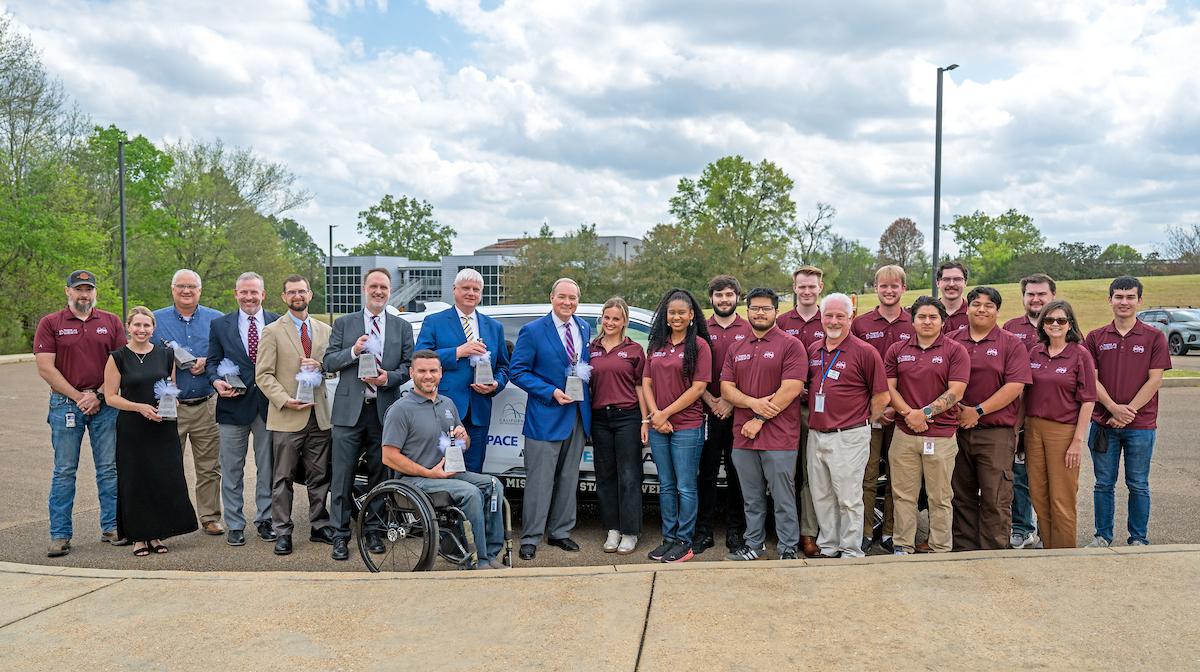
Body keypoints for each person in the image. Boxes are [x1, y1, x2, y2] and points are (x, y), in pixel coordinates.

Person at [381, 350, 508, 570]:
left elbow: (464, 445)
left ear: (441, 373)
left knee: (494, 485)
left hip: (449, 473)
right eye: (422, 371)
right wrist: (428, 473)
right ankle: (477, 560)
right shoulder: (400, 410)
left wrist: (463, 437)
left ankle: (489, 553)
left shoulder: (447, 403)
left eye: (433, 370)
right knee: (471, 493)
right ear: (412, 373)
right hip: (415, 480)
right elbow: (388, 456)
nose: (428, 376)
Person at [323, 268, 414, 561]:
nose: (378, 291)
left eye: (384, 287)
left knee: (380, 475)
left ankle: (374, 529)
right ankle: (339, 534)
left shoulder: (401, 327)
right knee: (342, 476)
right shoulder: (345, 323)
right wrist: (353, 351)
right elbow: (328, 362)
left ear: (390, 291)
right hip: (349, 412)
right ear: (365, 288)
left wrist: (388, 378)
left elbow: (408, 366)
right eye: (374, 286)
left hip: (384, 411)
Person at [34, 270, 126, 557]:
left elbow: (121, 364)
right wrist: (78, 397)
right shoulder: (51, 323)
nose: (83, 294)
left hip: (104, 404)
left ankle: (111, 527)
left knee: (109, 469)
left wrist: (98, 395)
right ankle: (60, 535)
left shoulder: (110, 321)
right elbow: (46, 368)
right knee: (64, 471)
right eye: (78, 289)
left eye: (88, 289)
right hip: (65, 405)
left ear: (95, 293)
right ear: (68, 291)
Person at [102, 307, 198, 556]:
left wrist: (172, 401)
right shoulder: (118, 357)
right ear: (128, 327)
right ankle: (138, 537)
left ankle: (157, 534)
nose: (142, 330)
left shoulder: (166, 355)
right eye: (137, 325)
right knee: (136, 479)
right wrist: (139, 408)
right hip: (133, 427)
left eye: (147, 326)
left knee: (161, 478)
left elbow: (171, 387)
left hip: (162, 425)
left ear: (153, 328)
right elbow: (110, 397)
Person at [1084, 276, 1171, 547]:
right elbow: (1091, 379)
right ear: (1110, 300)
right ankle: (1103, 536)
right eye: (1119, 297)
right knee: (1103, 484)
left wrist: (1128, 411)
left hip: (1141, 426)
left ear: (1139, 301)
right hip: (1103, 423)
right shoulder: (1095, 337)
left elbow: (1155, 379)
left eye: (1130, 297)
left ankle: (1138, 538)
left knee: (1138, 484)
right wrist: (1112, 407)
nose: (1124, 302)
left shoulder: (1154, 336)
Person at [720, 288, 806, 561]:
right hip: (743, 437)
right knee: (752, 498)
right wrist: (753, 403)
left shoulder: (790, 345)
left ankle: (788, 548)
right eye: (755, 308)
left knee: (782, 497)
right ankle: (753, 545)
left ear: (776, 312)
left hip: (780, 438)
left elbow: (791, 388)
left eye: (765, 308)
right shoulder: (737, 347)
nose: (760, 313)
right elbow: (726, 389)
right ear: (747, 311)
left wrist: (758, 418)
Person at [509, 278, 593, 560]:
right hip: (546, 414)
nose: (568, 302)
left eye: (573, 298)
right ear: (552, 298)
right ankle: (531, 536)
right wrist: (551, 391)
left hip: (577, 415)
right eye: (562, 297)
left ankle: (560, 532)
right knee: (540, 481)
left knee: (569, 478)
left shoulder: (584, 327)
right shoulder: (533, 331)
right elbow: (517, 371)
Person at [254, 275, 335, 556]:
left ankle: (319, 525)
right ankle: (283, 531)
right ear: (284, 297)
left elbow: (334, 368)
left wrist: (323, 367)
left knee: (320, 475)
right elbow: (262, 375)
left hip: (319, 415)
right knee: (282, 477)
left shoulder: (325, 330)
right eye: (292, 292)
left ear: (310, 295)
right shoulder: (272, 331)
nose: (297, 296)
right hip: (288, 416)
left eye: (302, 291)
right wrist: (284, 400)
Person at [806, 293, 890, 558]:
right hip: (817, 433)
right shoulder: (813, 350)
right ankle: (829, 545)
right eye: (829, 315)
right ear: (821, 318)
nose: (834, 321)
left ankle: (851, 549)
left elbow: (882, 396)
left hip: (849, 435)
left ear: (851, 317)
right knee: (822, 495)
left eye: (840, 316)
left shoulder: (865, 352)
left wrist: (862, 422)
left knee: (848, 497)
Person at [885, 296, 970, 555]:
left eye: (933, 317)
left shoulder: (955, 350)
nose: (927, 321)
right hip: (904, 435)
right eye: (922, 316)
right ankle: (903, 544)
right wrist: (908, 414)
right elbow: (889, 387)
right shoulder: (897, 350)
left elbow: (957, 391)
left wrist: (924, 413)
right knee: (903, 496)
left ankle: (940, 547)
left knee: (940, 498)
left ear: (943, 321)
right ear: (912, 320)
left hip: (941, 437)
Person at [950, 287, 1031, 551]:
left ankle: (994, 553)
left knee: (995, 497)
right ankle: (964, 550)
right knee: (961, 496)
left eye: (988, 305)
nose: (982, 309)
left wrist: (978, 411)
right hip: (956, 431)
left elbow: (1015, 386)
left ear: (997, 311)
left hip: (994, 433)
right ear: (967, 308)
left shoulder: (1010, 343)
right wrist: (961, 410)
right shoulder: (951, 340)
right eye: (976, 304)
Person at [206, 272, 280, 546]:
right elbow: (212, 362)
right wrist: (215, 381)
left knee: (267, 468)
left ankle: (265, 519)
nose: (249, 297)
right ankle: (235, 524)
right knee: (231, 469)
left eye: (254, 292)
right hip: (232, 406)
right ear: (236, 294)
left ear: (263, 294)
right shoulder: (219, 325)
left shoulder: (277, 321)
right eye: (244, 292)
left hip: (268, 407)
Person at [414, 268, 510, 473]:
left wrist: (495, 385)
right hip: (442, 408)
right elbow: (420, 358)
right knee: (442, 468)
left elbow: (503, 366)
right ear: (454, 290)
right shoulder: (435, 321)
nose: (471, 293)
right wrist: (458, 352)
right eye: (465, 288)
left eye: (476, 289)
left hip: (478, 410)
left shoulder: (494, 326)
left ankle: (471, 505)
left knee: (474, 470)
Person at [643, 288, 712, 564]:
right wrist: (656, 415)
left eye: (682, 312)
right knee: (667, 485)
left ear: (692, 315)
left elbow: (698, 388)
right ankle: (668, 538)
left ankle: (685, 541)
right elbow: (647, 382)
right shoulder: (657, 343)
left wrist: (665, 414)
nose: (676, 317)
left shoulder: (699, 347)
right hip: (660, 425)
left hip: (687, 426)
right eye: (672, 312)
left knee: (685, 486)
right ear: (665, 315)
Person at [154, 269, 225, 536]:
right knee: (168, 465)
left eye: (192, 287)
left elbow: (225, 355)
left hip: (207, 403)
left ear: (200, 290)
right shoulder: (156, 320)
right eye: (181, 286)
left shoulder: (216, 319)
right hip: (172, 406)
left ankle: (209, 516)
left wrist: (207, 363)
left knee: (209, 467)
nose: (186, 291)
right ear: (172, 289)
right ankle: (166, 518)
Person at [851, 265, 915, 553]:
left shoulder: (914, 322)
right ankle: (864, 531)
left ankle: (890, 531)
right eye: (883, 285)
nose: (889, 291)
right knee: (867, 475)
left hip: (904, 412)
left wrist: (898, 407)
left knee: (898, 478)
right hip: (869, 413)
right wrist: (875, 408)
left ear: (904, 288)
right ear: (875, 288)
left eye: (895, 286)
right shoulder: (861, 324)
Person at [1024, 300, 1096, 549]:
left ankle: (1065, 556)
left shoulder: (1079, 354)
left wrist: (1077, 441)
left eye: (1061, 320)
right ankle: (1048, 549)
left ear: (1070, 325)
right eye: (1049, 320)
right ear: (1042, 323)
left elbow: (1088, 401)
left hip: (1063, 431)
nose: (1055, 324)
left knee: (1062, 498)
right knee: (1039, 494)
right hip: (1033, 429)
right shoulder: (1035, 352)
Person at [588, 297, 648, 555]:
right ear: (601, 318)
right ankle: (613, 529)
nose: (610, 322)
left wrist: (645, 420)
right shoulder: (591, 348)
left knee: (628, 476)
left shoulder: (634, 350)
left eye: (616, 318)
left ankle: (630, 531)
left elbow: (640, 387)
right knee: (605, 476)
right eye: (607, 317)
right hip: (600, 418)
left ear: (625, 321)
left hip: (628, 418)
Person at [697, 275, 752, 553]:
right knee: (705, 474)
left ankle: (735, 531)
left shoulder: (750, 328)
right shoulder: (701, 329)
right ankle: (704, 531)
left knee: (736, 473)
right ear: (711, 299)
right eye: (719, 295)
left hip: (737, 412)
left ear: (737, 297)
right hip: (707, 411)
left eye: (729, 294)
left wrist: (730, 402)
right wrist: (710, 399)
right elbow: (693, 371)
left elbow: (753, 371)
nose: (724, 300)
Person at [1002, 273, 1057, 549]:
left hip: (1052, 416)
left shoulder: (1063, 327)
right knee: (1019, 476)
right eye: (1030, 294)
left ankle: (1051, 530)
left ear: (1052, 297)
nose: (1035, 299)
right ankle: (1022, 528)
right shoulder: (1011, 328)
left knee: (1050, 477)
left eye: (1041, 294)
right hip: (1017, 415)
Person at [775, 265, 826, 557]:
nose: (807, 291)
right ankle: (784, 530)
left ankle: (808, 532)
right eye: (801, 286)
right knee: (783, 472)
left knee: (810, 473)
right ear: (794, 288)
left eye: (812, 286)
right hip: (783, 407)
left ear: (820, 287)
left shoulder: (830, 317)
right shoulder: (781, 321)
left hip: (815, 410)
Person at [936, 261, 970, 334]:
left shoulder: (974, 313)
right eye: (946, 279)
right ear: (938, 283)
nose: (951, 284)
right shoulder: (928, 313)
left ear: (965, 283)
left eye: (957, 279)